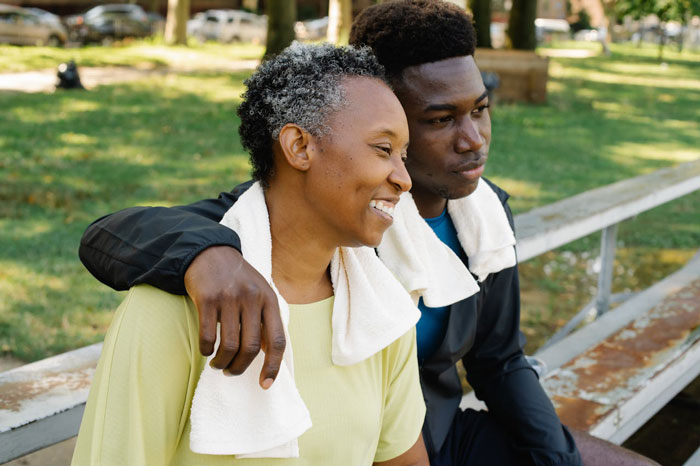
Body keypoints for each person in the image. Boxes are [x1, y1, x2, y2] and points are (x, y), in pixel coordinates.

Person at [78, 1, 660, 465]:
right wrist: (207, 255)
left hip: (434, 433)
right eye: (439, 119)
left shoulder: (483, 216)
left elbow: (500, 361)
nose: (473, 138)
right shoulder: (332, 216)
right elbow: (115, 231)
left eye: (479, 109)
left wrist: (554, 459)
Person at [72, 43, 429, 465]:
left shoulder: (381, 308)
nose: (404, 179)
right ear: (298, 147)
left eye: (404, 156)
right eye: (383, 150)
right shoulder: (174, 309)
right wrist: (209, 257)